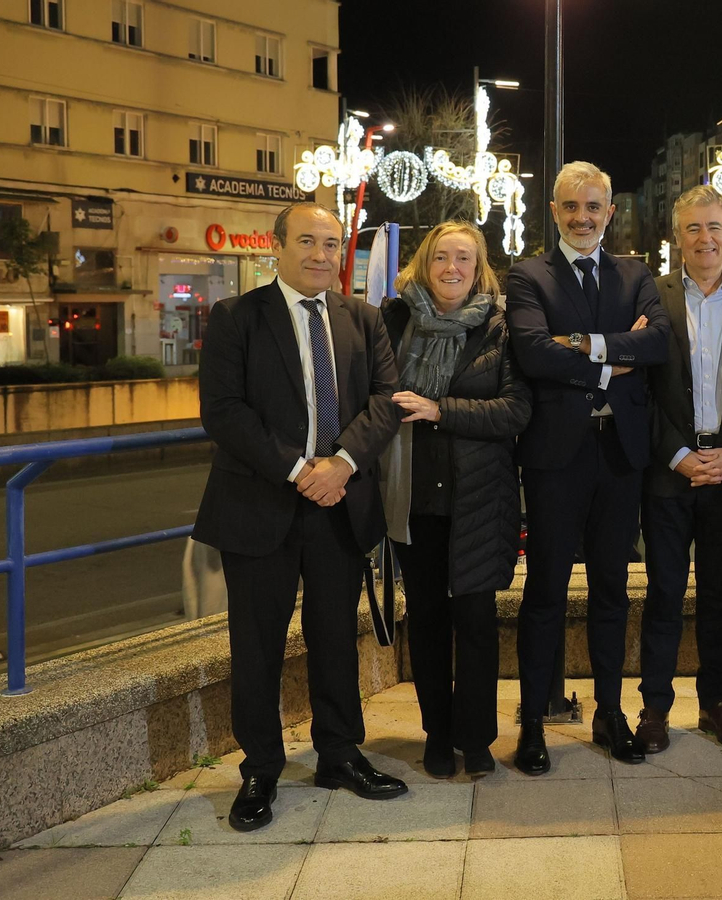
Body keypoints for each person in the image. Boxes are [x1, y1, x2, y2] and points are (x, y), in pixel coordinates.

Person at [193, 201, 404, 832]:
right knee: (256, 644)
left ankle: (340, 752)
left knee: (336, 636)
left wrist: (340, 464)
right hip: (260, 503)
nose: (320, 254)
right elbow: (224, 411)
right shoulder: (237, 317)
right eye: (307, 241)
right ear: (277, 247)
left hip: (339, 503)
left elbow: (386, 400)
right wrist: (299, 470)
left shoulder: (364, 319)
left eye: (332, 244)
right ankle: (260, 769)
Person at [505, 161, 670, 775]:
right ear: (555, 211)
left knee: (610, 591)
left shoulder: (635, 272)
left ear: (609, 211)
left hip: (620, 455)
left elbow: (658, 343)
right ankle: (531, 725)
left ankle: (609, 711)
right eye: (572, 207)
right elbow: (532, 352)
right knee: (544, 592)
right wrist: (611, 359)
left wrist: (584, 344)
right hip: (555, 458)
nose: (583, 217)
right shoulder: (528, 275)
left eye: (594, 207)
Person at [378, 221, 530, 778]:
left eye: (463, 258)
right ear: (425, 262)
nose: (451, 268)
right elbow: (375, 398)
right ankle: (437, 734)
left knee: (476, 620)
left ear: (478, 267)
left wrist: (442, 410)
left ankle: (478, 738)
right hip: (414, 495)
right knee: (426, 619)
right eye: (441, 256)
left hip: (479, 497)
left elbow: (517, 411)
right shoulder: (395, 320)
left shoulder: (499, 327)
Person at [637, 186, 722, 753]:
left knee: (721, 597)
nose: (705, 238)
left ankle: (716, 703)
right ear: (678, 237)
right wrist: (677, 454)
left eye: (714, 227)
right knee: (664, 594)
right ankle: (653, 709)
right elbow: (641, 391)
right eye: (693, 228)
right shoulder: (651, 296)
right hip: (669, 471)